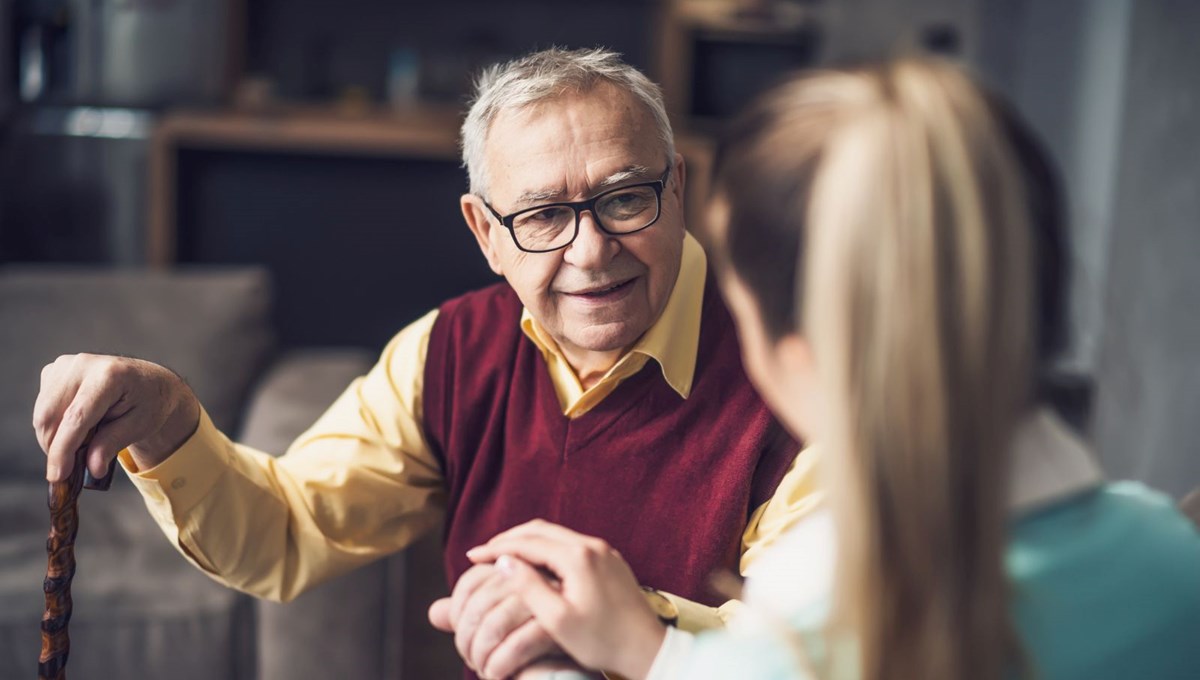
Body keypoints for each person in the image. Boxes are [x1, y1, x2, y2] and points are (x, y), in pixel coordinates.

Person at [30, 48, 816, 679]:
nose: (591, 250)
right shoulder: (449, 352)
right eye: (543, 215)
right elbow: (288, 532)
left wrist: (625, 625)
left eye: (624, 199)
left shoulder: (799, 369)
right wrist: (171, 423)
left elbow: (827, 654)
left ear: (677, 187)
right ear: (485, 232)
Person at [467, 58, 1200, 680]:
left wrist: (646, 656)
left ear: (802, 347)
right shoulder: (1172, 559)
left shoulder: (808, 635)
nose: (592, 250)